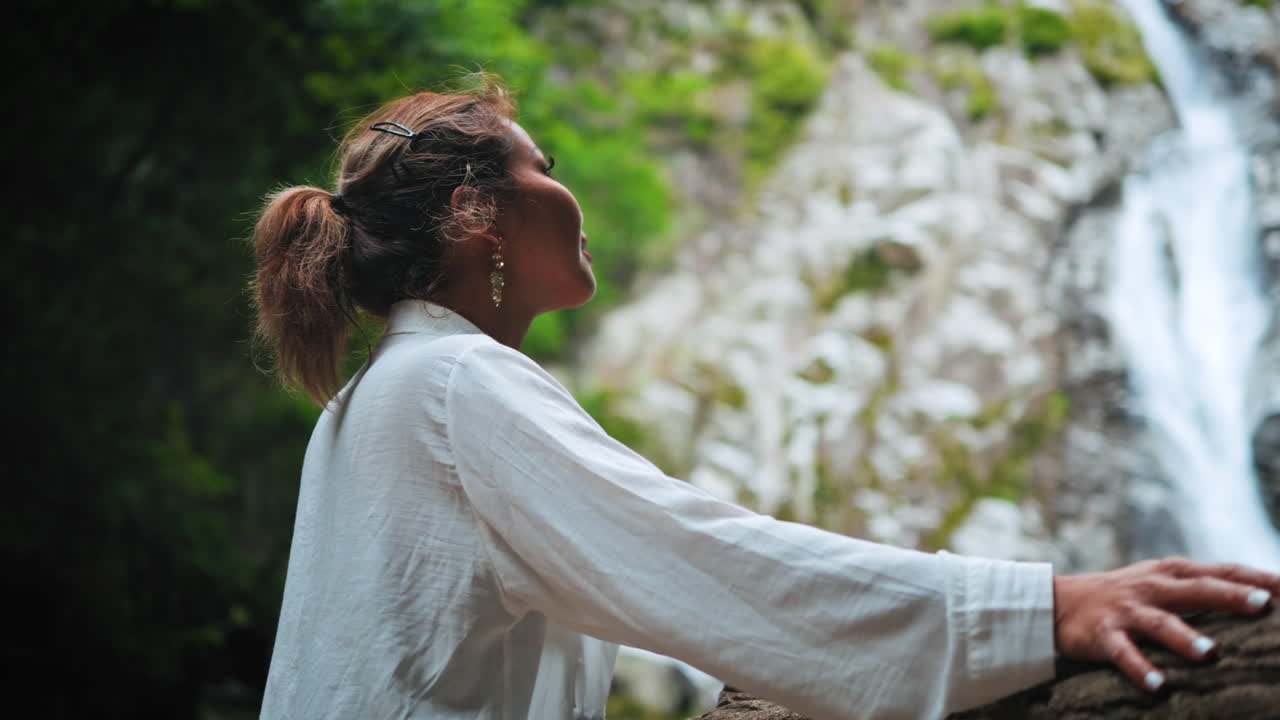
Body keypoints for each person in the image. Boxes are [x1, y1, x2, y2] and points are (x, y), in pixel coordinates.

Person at [251, 79, 1280, 720]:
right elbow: (706, 563)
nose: (568, 193)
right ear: (476, 214)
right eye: (542, 168)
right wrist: (1044, 610)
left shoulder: (372, 403)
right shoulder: (450, 387)